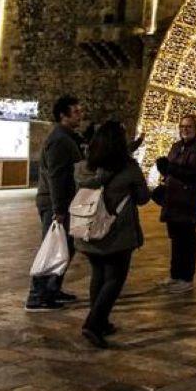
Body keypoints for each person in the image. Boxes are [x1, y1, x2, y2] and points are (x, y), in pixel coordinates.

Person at [73, 120, 151, 349]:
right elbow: (143, 198)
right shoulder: (128, 168)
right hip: (116, 234)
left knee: (98, 275)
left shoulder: (84, 168)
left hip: (89, 231)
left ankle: (102, 320)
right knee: (115, 278)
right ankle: (93, 323)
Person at [25, 96, 85, 312]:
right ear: (63, 115)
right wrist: (59, 210)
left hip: (61, 202)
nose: (80, 114)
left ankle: (52, 290)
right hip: (55, 203)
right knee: (52, 248)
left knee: (64, 248)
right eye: (76, 111)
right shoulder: (60, 140)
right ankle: (37, 295)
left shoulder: (67, 137)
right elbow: (57, 176)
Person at [154, 113, 196, 294]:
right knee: (175, 238)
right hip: (173, 200)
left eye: (189, 127)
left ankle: (186, 277)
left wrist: (169, 168)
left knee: (187, 239)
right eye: (182, 126)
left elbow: (193, 174)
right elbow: (171, 171)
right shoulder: (176, 146)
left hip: (187, 201)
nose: (185, 130)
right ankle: (175, 275)